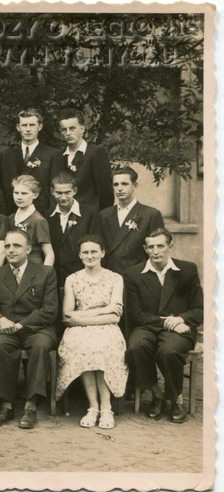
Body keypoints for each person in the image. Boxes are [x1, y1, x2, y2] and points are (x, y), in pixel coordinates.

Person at [124, 228, 202, 424]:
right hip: (148, 326)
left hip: (180, 327)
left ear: (170, 246)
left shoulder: (187, 270)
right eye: (151, 247)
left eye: (160, 246)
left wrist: (181, 319)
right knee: (136, 347)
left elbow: (199, 309)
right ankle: (156, 394)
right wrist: (167, 322)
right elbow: (136, 314)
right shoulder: (134, 273)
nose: (156, 251)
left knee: (169, 350)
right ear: (145, 249)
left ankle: (176, 399)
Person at [0, 230, 58, 429]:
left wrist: (22, 324)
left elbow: (49, 309)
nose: (11, 250)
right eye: (7, 246)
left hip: (37, 328)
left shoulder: (45, 272)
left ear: (28, 249)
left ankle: (31, 405)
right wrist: (0, 320)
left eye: (16, 246)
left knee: (40, 347)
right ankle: (5, 405)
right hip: (6, 329)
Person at [55, 235, 128, 429]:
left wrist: (83, 317)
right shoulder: (72, 279)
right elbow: (67, 315)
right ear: (79, 255)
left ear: (102, 253)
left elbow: (115, 317)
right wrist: (104, 310)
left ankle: (106, 407)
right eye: (85, 252)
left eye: (94, 251)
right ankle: (93, 406)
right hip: (78, 330)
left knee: (101, 347)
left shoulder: (115, 278)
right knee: (85, 347)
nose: (90, 256)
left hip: (106, 328)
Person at [99, 166, 165, 276]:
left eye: (124, 184)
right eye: (116, 184)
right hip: (109, 276)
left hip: (138, 276)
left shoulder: (151, 214)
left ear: (134, 186)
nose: (119, 188)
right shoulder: (104, 214)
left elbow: (157, 251)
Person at [50, 108, 114, 211]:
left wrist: (100, 216)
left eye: (72, 128)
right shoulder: (58, 156)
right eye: (64, 130)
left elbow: (105, 192)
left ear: (82, 129)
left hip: (90, 214)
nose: (68, 133)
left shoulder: (95, 153)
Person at [1, 108, 61, 215]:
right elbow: (6, 187)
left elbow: (56, 188)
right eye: (24, 125)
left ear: (40, 126)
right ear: (18, 127)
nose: (28, 129)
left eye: (32, 125)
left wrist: (51, 214)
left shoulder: (52, 154)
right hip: (14, 213)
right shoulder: (9, 154)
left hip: (41, 213)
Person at [48, 173, 102, 288]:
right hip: (56, 279)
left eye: (67, 192)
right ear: (52, 191)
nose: (63, 197)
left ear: (75, 191)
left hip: (82, 277)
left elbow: (95, 244)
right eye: (59, 193)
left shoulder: (89, 212)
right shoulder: (48, 215)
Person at [6, 175, 54, 265]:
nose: (19, 197)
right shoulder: (11, 218)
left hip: (32, 265)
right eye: (16, 193)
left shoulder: (38, 220)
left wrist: (44, 272)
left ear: (35, 195)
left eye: (24, 193)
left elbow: (49, 253)